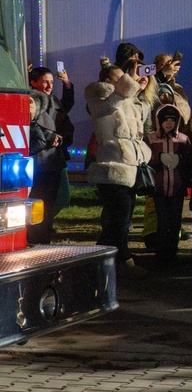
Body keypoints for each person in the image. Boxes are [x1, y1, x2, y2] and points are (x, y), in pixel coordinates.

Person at [85, 62, 153, 278]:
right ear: (107, 80)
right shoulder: (98, 98)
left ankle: (102, 262)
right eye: (119, 77)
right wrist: (130, 83)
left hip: (130, 169)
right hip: (111, 170)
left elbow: (138, 124)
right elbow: (110, 106)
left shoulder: (128, 102)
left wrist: (140, 86)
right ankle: (118, 261)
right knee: (118, 220)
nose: (124, 81)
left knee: (122, 220)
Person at [27, 65, 75, 244]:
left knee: (56, 199)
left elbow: (66, 108)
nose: (49, 86)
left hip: (54, 159)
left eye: (51, 82)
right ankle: (37, 237)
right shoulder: (32, 101)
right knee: (41, 203)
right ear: (33, 82)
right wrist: (49, 137)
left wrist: (67, 84)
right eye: (44, 82)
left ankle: (42, 234)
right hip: (40, 161)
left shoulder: (53, 100)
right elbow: (32, 126)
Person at [144, 104, 191, 264]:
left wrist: (181, 160)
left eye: (172, 119)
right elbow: (145, 161)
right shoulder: (151, 139)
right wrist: (159, 159)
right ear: (159, 121)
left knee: (175, 221)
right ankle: (161, 254)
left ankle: (173, 252)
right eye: (165, 120)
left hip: (177, 187)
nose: (169, 123)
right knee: (162, 221)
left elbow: (189, 162)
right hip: (159, 187)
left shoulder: (183, 140)